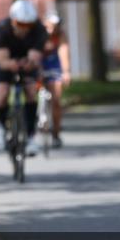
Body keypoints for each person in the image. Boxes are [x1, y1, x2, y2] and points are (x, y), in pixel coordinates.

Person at [0, 0, 47, 156]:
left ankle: (31, 136)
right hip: (6, 62)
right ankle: (2, 126)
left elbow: (34, 58)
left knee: (31, 92)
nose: (25, 29)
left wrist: (29, 63)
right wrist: (13, 64)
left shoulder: (39, 29)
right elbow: (2, 61)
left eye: (28, 25)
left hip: (26, 62)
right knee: (2, 94)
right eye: (21, 24)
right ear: (13, 21)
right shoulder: (1, 29)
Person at [41, 13, 71, 148]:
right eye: (50, 26)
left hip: (54, 65)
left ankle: (56, 132)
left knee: (56, 98)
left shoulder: (60, 35)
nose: (52, 29)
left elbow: (63, 52)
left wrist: (66, 72)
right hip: (40, 63)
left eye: (55, 26)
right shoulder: (39, 33)